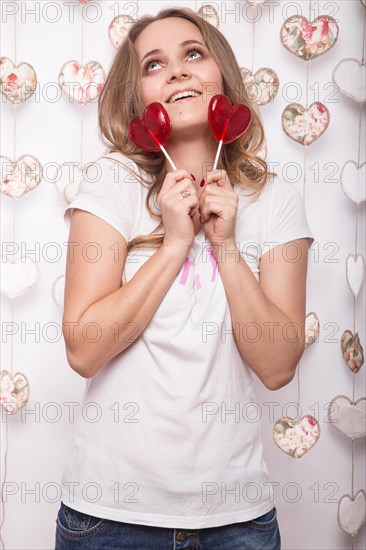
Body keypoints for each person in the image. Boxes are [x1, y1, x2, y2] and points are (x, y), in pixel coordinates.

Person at [55, 6, 314, 549]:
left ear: (221, 74)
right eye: (154, 64)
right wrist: (175, 244)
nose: (177, 71)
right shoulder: (110, 183)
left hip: (237, 521)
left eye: (193, 54)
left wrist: (224, 245)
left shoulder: (277, 199)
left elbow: (277, 367)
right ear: (139, 99)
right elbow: (84, 350)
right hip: (109, 518)